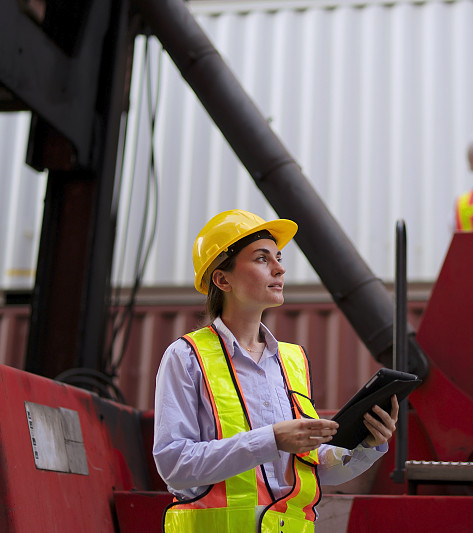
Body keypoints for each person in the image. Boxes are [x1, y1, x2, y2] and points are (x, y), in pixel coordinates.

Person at [153, 209, 399, 532]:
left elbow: (311, 468)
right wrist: (271, 439)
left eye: (279, 257)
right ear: (222, 279)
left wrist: (366, 445)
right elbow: (174, 464)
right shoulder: (186, 358)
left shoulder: (292, 361)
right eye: (261, 259)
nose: (280, 268)